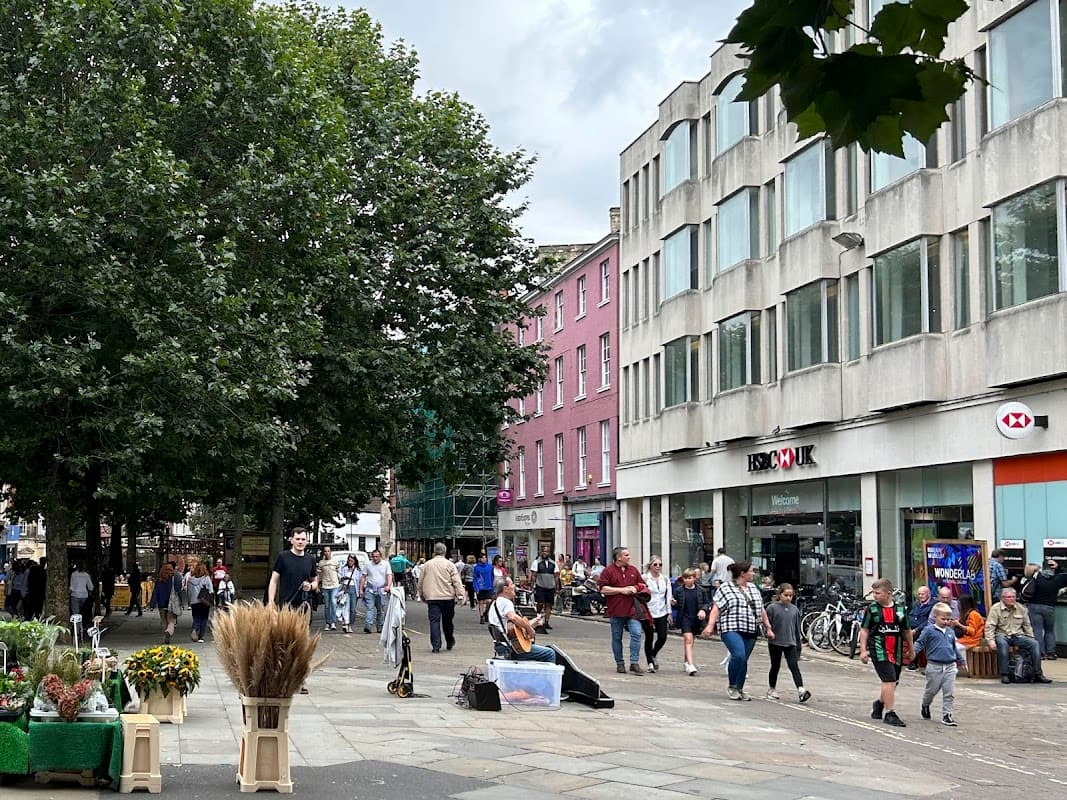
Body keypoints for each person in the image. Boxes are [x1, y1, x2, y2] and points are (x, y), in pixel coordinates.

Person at [702, 561, 774, 699]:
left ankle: (740, 688)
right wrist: (710, 625)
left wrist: (768, 627)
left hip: (750, 628)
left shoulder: (753, 588)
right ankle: (732, 685)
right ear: (742, 573)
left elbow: (761, 609)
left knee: (744, 660)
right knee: (739, 655)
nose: (753, 574)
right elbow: (717, 607)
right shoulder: (726, 587)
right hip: (731, 627)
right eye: (751, 571)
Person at [267, 528, 319, 694]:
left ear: (307, 541)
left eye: (303, 539)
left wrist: (310, 586)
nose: (300, 542)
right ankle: (283, 677)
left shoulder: (310, 559)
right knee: (285, 643)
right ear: (291, 540)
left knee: (303, 644)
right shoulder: (283, 557)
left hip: (304, 607)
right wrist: (270, 602)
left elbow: (315, 580)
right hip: (286, 607)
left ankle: (301, 680)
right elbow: (274, 580)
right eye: (297, 539)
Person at [858, 578, 913, 727]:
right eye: (873, 593)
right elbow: (864, 630)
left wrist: (911, 650)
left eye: (877, 593)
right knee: (888, 679)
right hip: (879, 650)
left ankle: (879, 703)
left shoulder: (900, 610)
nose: (874, 596)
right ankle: (890, 713)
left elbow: (906, 631)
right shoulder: (872, 609)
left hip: (897, 651)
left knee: (893, 681)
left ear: (888, 594)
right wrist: (863, 650)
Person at [913, 602, 966, 726]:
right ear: (935, 617)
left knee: (949, 692)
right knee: (931, 690)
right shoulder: (929, 630)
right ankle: (925, 704)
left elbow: (953, 647)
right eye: (943, 619)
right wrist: (913, 652)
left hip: (950, 665)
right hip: (934, 665)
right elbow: (920, 642)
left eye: (949, 619)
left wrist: (961, 660)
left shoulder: (950, 632)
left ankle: (947, 715)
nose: (946, 622)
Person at [984, 587, 1051, 684]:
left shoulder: (1021, 608)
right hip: (1002, 634)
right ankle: (1005, 674)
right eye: (1008, 597)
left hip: (1018, 635)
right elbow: (990, 626)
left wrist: (1031, 637)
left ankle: (1038, 673)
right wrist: (990, 640)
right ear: (1002, 598)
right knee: (1002, 645)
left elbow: (1027, 626)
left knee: (1035, 644)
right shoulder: (996, 608)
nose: (1011, 599)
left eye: (1013, 597)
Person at [599, 546, 647, 675]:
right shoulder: (608, 571)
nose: (629, 557)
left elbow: (642, 584)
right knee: (616, 637)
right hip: (616, 610)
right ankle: (620, 663)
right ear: (618, 557)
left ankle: (634, 662)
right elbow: (603, 589)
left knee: (637, 633)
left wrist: (635, 588)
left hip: (632, 609)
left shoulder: (633, 570)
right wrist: (621, 590)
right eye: (626, 555)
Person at [487, 576, 556, 662]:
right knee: (549, 653)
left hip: (501, 646)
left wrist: (536, 622)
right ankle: (550, 675)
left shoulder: (494, 604)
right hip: (512, 648)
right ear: (505, 589)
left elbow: (514, 629)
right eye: (512, 584)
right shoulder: (506, 602)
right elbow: (513, 617)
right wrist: (529, 629)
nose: (514, 586)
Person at [765, 583, 811, 703]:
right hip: (775, 642)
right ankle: (772, 688)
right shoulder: (772, 608)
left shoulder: (794, 610)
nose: (788, 598)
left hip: (790, 642)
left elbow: (796, 629)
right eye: (786, 595)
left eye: (791, 595)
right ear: (780, 595)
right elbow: (767, 624)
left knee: (794, 666)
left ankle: (801, 689)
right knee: (775, 666)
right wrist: (768, 632)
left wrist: (798, 645)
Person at [417, 542, 466, 653]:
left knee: (434, 621)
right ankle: (449, 640)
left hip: (432, 597)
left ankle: (436, 645)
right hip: (447, 597)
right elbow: (456, 581)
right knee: (448, 621)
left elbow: (420, 582)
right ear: (444, 551)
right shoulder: (449, 565)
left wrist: (421, 594)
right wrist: (460, 595)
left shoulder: (427, 565)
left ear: (435, 551)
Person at [1022, 559, 1067, 660]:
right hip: (1049, 607)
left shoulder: (1037, 576)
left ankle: (1040, 653)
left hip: (1034, 606)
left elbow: (1027, 589)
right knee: (1049, 630)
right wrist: (1059, 567)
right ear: (1052, 567)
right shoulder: (1058, 578)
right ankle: (1051, 653)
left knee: (1037, 630)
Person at [672, 567, 707, 676]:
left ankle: (686, 661)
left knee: (691, 641)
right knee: (688, 639)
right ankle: (691, 665)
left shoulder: (701, 590)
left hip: (696, 618)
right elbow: (678, 605)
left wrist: (703, 610)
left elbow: (707, 603)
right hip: (684, 618)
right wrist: (674, 603)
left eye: (690, 578)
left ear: (694, 579)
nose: (687, 580)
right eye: (685, 578)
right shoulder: (679, 591)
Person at [642, 556, 672, 673]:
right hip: (649, 611)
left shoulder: (665, 579)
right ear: (650, 566)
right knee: (649, 637)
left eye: (660, 564)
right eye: (655, 564)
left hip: (662, 611)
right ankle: (649, 662)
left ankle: (653, 653)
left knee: (662, 637)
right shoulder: (645, 578)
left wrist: (669, 612)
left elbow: (668, 596)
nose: (658, 567)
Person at [359, 549, 392, 635]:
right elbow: (363, 577)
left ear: (380, 556)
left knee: (380, 609)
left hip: (381, 590)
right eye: (373, 556)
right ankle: (368, 626)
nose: (375, 558)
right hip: (370, 590)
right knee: (369, 608)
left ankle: (380, 627)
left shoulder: (385, 564)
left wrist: (388, 586)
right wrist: (361, 589)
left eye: (377, 556)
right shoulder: (368, 565)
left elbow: (389, 575)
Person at [148, 564, 183, 644]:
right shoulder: (175, 579)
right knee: (172, 622)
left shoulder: (159, 580)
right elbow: (178, 591)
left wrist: (152, 605)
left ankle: (166, 637)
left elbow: (155, 593)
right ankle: (169, 632)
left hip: (162, 604)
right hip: (172, 604)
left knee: (164, 622)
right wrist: (181, 602)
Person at [530, 545, 560, 634]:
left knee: (549, 605)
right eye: (543, 551)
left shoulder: (553, 563)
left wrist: (557, 588)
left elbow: (556, 576)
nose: (545, 553)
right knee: (540, 603)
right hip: (540, 586)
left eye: (546, 552)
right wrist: (532, 586)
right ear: (540, 552)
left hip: (550, 586)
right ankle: (538, 619)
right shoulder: (536, 562)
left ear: (549, 553)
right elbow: (533, 575)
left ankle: (546, 622)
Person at [950, 595, 984, 663]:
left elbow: (972, 631)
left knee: (951, 648)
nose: (958, 606)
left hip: (972, 640)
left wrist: (958, 625)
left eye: (959, 604)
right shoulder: (963, 614)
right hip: (963, 638)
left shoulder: (974, 614)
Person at [186, 562, 213, 643]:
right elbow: (211, 590)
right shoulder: (206, 578)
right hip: (204, 601)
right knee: (204, 618)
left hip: (194, 602)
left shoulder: (190, 579)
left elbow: (189, 592)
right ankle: (201, 636)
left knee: (196, 617)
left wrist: (190, 601)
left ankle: (194, 629)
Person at [317, 546, 340, 631]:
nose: (327, 553)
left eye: (328, 551)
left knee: (333, 603)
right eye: (325, 551)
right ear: (323, 553)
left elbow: (338, 572)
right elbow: (318, 575)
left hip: (334, 585)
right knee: (327, 605)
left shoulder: (335, 562)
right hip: (325, 586)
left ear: (330, 552)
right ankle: (327, 622)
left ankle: (333, 622)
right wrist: (318, 584)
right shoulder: (321, 563)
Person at [337, 554, 360, 633]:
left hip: (354, 589)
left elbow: (359, 581)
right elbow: (339, 579)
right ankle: (345, 624)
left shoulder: (357, 570)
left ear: (354, 561)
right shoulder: (343, 568)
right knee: (344, 607)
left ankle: (350, 625)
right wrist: (343, 578)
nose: (350, 562)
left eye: (352, 561)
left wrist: (361, 591)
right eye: (349, 560)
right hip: (345, 588)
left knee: (352, 609)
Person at [473, 554, 495, 624]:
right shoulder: (476, 567)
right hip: (480, 586)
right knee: (481, 602)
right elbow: (475, 578)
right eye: (483, 558)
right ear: (480, 559)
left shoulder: (490, 567)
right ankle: (481, 616)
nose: (484, 559)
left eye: (485, 558)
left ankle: (486, 612)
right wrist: (476, 588)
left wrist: (493, 585)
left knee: (489, 601)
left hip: (489, 586)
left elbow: (492, 577)